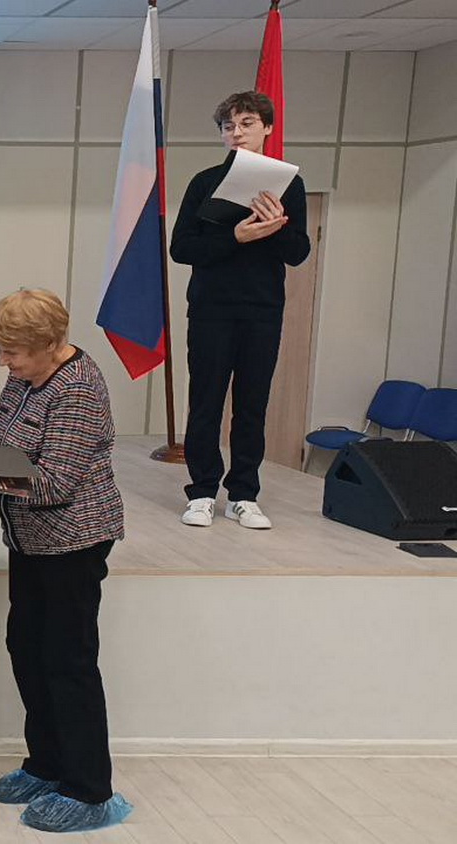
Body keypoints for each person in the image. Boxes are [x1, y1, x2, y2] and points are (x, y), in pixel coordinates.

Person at [0, 289, 132, 834]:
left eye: (12, 352)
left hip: (73, 542)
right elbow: (4, 434)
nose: (4, 361)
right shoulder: (28, 374)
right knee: (26, 647)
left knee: (68, 660)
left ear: (49, 343)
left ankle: (89, 788)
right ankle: (46, 764)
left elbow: (52, 483)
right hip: (28, 540)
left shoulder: (78, 388)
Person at [171, 91, 311, 531]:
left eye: (247, 123)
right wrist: (236, 237)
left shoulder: (289, 185)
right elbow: (181, 248)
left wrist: (274, 228)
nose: (237, 133)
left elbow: (299, 252)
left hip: (262, 310)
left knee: (252, 405)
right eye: (228, 126)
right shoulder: (204, 182)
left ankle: (244, 495)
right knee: (206, 402)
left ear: (267, 128)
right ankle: (202, 492)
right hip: (211, 309)